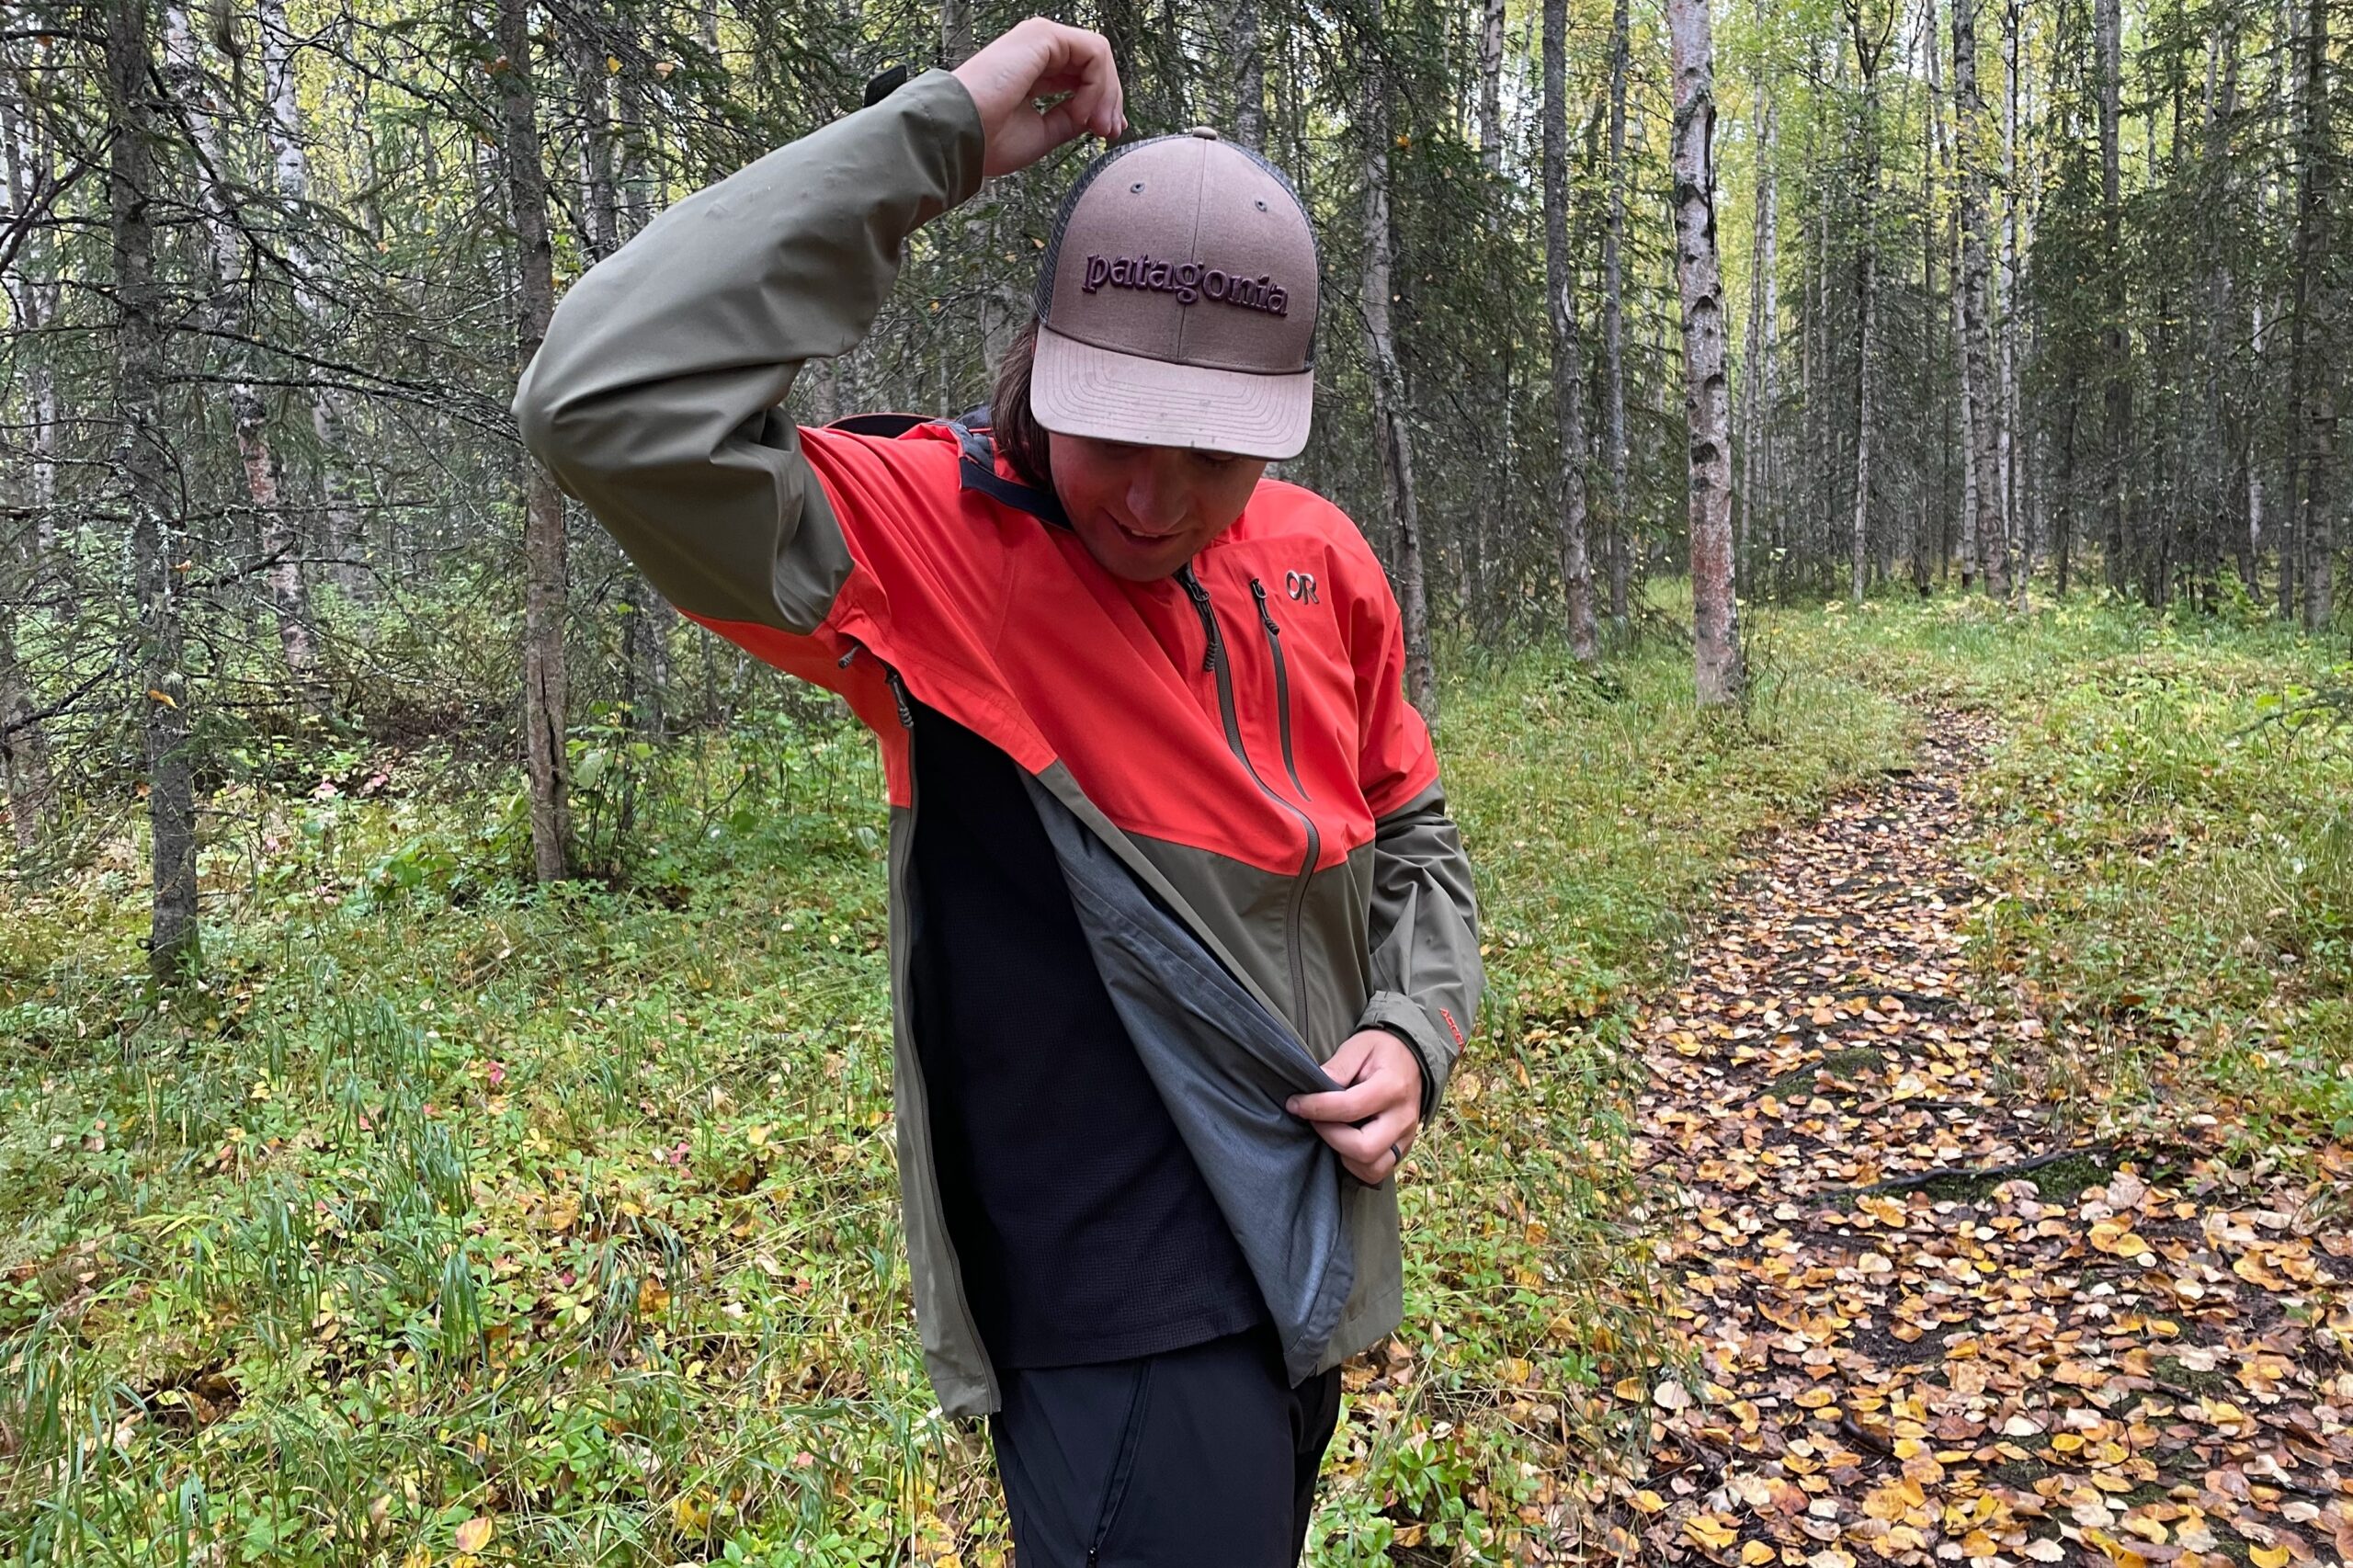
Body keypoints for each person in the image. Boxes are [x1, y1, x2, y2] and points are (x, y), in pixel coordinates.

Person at [512, 18, 1481, 1564]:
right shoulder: (934, 547)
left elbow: (1414, 828)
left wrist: (1415, 1027)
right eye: (1114, 437)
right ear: (1049, 363)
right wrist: (938, 135)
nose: (1156, 500)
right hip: (1111, 1306)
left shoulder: (1320, 560)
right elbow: (601, 402)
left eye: (1209, 455)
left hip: (1300, 1269)